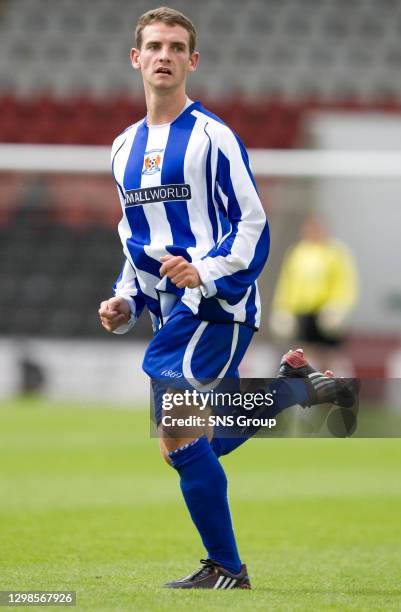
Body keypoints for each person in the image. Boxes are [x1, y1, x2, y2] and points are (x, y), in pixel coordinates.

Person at [98, 7, 357, 590]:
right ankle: (297, 390)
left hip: (219, 304)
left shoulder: (214, 139)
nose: (164, 55)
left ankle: (227, 568)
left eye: (176, 47)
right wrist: (124, 300)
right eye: (154, 46)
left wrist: (204, 272)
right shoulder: (122, 149)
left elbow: (253, 226)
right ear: (136, 59)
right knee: (184, 443)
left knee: (176, 429)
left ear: (194, 61)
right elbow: (135, 242)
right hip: (172, 310)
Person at [270, 215, 358, 374]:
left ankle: (339, 389)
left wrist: (340, 307)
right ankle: (313, 389)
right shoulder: (297, 252)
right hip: (303, 311)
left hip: (327, 312)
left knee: (331, 354)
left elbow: (345, 282)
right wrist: (282, 310)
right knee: (306, 353)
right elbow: (287, 282)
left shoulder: (335, 252)